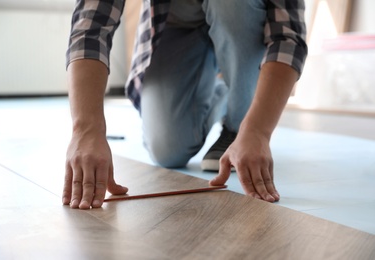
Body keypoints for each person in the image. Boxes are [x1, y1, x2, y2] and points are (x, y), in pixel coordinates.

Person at [62, 0, 308, 209]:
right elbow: (90, 28)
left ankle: (238, 122)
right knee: (168, 150)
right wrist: (86, 129)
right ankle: (224, 92)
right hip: (175, 22)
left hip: (242, 15)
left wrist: (257, 130)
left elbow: (288, 37)